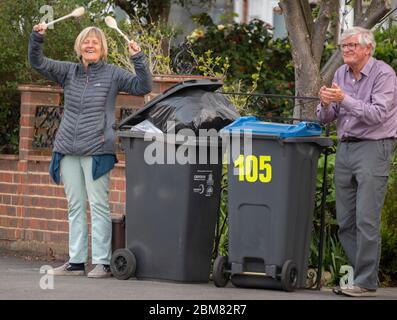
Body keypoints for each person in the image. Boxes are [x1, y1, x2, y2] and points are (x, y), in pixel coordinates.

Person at [29, 23, 152, 278]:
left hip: (97, 149)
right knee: (74, 205)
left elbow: (143, 86)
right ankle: (75, 262)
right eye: (86, 41)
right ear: (79, 47)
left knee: (98, 205)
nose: (90, 45)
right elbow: (38, 62)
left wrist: (137, 58)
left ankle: (102, 262)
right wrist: (37, 37)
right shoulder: (68, 72)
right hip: (67, 149)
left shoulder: (113, 74)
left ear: (102, 48)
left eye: (95, 42)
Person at [317, 26, 397, 297]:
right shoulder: (340, 74)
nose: (347, 50)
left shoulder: (383, 74)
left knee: (366, 219)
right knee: (346, 220)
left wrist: (344, 99)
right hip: (346, 149)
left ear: (368, 48)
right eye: (344, 46)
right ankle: (361, 277)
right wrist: (326, 103)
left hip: (374, 148)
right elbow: (327, 117)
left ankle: (365, 282)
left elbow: (377, 114)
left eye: (352, 45)